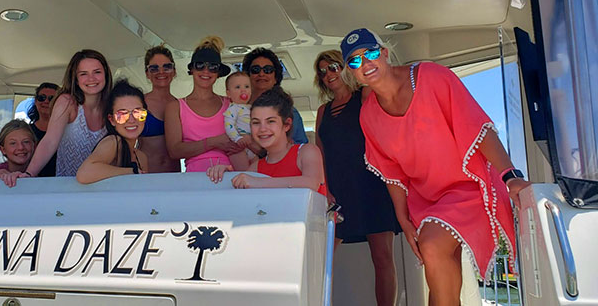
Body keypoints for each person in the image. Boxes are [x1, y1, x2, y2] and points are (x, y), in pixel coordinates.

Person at [342, 28, 531, 305]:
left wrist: (510, 176)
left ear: (384, 52)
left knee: (431, 246)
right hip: (426, 199)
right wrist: (404, 219)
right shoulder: (368, 115)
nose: (365, 64)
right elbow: (392, 173)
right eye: (355, 61)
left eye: (369, 53)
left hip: (470, 185)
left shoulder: (430, 76)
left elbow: (477, 127)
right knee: (438, 266)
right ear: (351, 72)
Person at [314, 50, 401, 306]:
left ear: (345, 68)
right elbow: (320, 154)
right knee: (323, 259)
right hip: (338, 192)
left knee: (383, 257)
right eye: (322, 71)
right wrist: (325, 189)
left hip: (371, 186)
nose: (328, 74)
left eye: (333, 67)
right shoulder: (322, 111)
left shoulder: (364, 96)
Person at [206, 87, 324, 193]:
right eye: (256, 122)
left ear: (287, 125)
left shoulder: (306, 151)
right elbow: (241, 187)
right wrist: (225, 176)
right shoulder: (255, 168)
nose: (262, 129)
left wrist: (257, 182)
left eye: (270, 121)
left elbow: (311, 183)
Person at [24, 49, 110, 177]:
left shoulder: (112, 105)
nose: (91, 78)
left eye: (97, 72)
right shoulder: (67, 102)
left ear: (106, 75)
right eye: (83, 74)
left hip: (105, 187)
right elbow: (50, 141)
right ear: (75, 79)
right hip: (69, 188)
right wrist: (29, 174)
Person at [165, 36, 241, 172]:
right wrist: (213, 142)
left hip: (229, 177)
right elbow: (174, 151)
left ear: (218, 73)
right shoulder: (175, 107)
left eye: (213, 67)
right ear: (192, 69)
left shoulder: (231, 103)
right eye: (200, 65)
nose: (206, 71)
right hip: (194, 182)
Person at [77, 80, 149, 183]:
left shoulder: (141, 157)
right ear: (112, 120)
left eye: (138, 113)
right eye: (122, 114)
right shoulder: (114, 142)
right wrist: (132, 171)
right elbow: (84, 174)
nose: (131, 119)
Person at [242, 48, 308, 144]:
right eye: (255, 70)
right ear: (248, 76)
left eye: (268, 70)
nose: (261, 74)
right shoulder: (235, 108)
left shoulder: (290, 111)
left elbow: (300, 146)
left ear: (276, 78)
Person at [138, 45, 180, 172]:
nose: (161, 72)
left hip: (174, 177)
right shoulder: (139, 104)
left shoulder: (181, 106)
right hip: (147, 177)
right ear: (147, 74)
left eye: (166, 67)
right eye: (154, 68)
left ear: (174, 71)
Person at [223, 71, 255, 171]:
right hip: (238, 148)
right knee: (244, 172)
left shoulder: (252, 108)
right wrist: (237, 139)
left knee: (257, 168)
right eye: (237, 87)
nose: (243, 90)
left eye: (246, 86)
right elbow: (229, 125)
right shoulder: (232, 109)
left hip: (251, 146)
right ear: (228, 93)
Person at [27, 82, 59, 176]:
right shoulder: (26, 131)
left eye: (51, 98)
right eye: (42, 98)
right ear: (36, 101)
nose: (46, 102)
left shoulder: (67, 132)